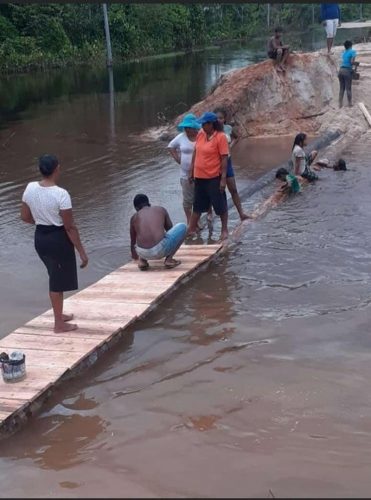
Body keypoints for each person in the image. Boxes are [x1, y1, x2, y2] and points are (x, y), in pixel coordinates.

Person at [21, 155, 88, 333]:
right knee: (56, 283)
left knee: (55, 275)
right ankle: (58, 324)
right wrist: (81, 252)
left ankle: (59, 315)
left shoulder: (30, 188)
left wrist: (43, 220)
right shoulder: (61, 194)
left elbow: (25, 218)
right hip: (57, 239)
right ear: (57, 169)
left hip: (40, 237)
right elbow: (69, 227)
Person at [187, 112, 229, 241]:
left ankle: (224, 229)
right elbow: (196, 152)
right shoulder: (201, 134)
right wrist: (191, 170)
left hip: (213, 177)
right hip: (200, 176)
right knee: (197, 205)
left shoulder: (220, 137)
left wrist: (223, 179)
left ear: (211, 124)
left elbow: (224, 158)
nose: (202, 126)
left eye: (204, 124)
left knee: (219, 204)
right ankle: (191, 230)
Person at [130, 194, 187, 270]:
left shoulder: (134, 217)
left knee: (142, 237)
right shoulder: (161, 209)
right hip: (160, 250)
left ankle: (142, 261)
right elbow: (170, 229)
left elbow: (132, 242)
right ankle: (169, 260)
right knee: (183, 226)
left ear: (136, 208)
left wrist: (135, 256)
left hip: (142, 252)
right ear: (149, 204)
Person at [213, 108, 250, 221]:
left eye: (221, 118)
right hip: (214, 163)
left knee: (233, 189)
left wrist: (230, 147)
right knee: (215, 191)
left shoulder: (228, 129)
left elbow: (237, 137)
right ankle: (211, 214)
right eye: (216, 118)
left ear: (224, 119)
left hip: (227, 162)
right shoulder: (211, 130)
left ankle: (241, 213)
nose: (219, 120)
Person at [167, 113, 201, 224]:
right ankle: (189, 221)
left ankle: (197, 220)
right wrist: (178, 160)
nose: (186, 129)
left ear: (194, 127)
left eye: (188, 127)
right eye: (185, 127)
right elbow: (171, 146)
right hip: (185, 173)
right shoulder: (181, 137)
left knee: (199, 197)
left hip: (201, 172)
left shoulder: (201, 136)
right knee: (187, 199)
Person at [338, 40, 357, 108]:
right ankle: (350, 104)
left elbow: (344, 61)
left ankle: (340, 104)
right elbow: (351, 62)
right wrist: (356, 64)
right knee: (348, 88)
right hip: (347, 71)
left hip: (340, 70)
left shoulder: (344, 52)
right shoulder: (353, 51)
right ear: (350, 45)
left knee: (341, 88)